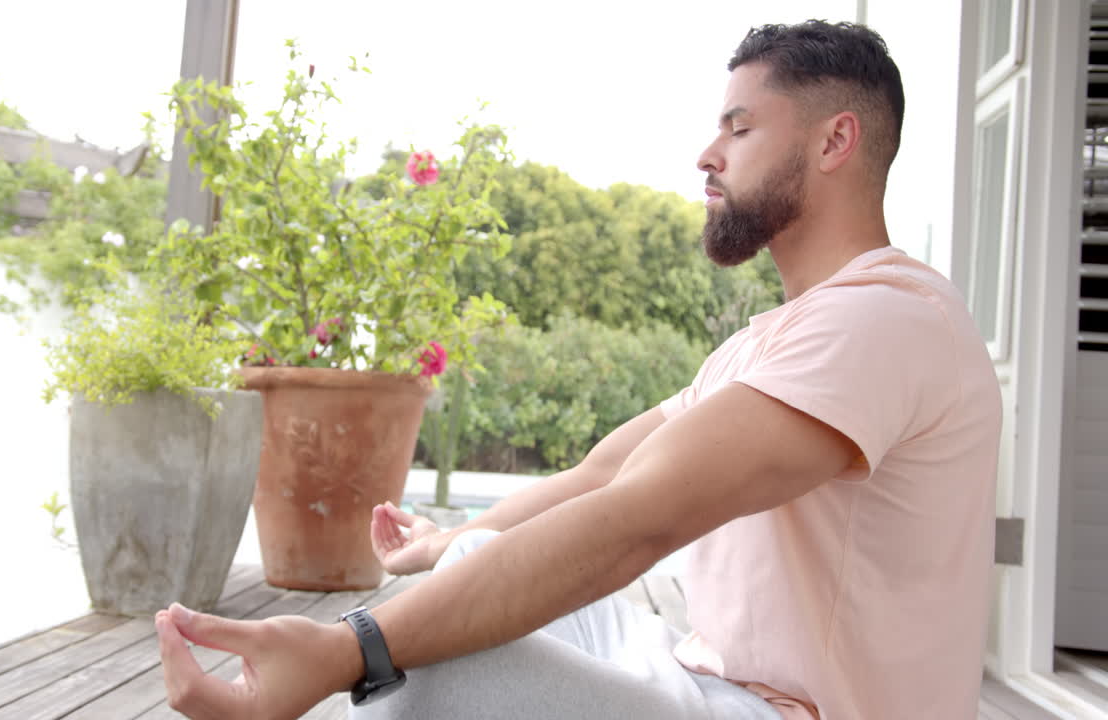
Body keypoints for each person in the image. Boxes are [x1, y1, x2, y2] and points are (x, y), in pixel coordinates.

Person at [154, 19, 1002, 720]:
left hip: (785, 712)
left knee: (427, 671)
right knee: (475, 560)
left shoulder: (885, 320)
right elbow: (605, 473)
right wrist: (447, 541)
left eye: (740, 128)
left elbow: (639, 520)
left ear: (835, 141)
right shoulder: (775, 339)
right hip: (711, 682)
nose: (708, 154)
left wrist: (350, 648)